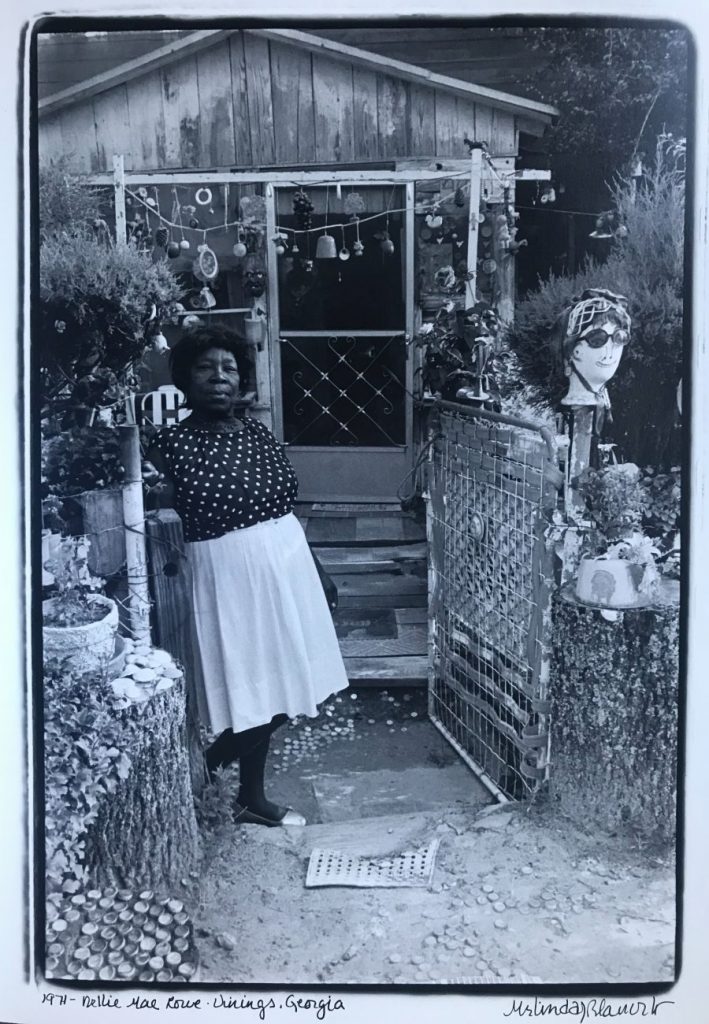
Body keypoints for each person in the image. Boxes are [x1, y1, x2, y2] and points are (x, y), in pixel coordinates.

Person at [145, 323, 349, 827]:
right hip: (224, 581)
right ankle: (215, 776)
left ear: (242, 381)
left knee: (287, 690)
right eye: (206, 368)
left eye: (230, 368)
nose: (219, 377)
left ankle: (244, 795)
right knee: (254, 690)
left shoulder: (258, 432)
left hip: (287, 570)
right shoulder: (168, 446)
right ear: (186, 380)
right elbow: (162, 528)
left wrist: (317, 570)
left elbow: (284, 509)